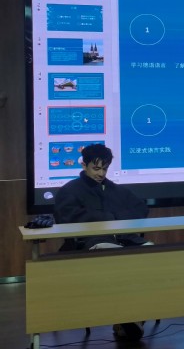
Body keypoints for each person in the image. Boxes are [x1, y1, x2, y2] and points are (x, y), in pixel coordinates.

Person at [53, 143, 151, 339]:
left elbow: (141, 209)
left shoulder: (116, 190)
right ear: (84, 165)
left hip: (126, 241)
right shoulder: (69, 190)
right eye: (96, 168)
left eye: (104, 169)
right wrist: (110, 217)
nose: (101, 173)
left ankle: (133, 317)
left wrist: (112, 217)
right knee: (116, 259)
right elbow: (68, 217)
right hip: (90, 244)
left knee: (154, 255)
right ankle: (129, 318)